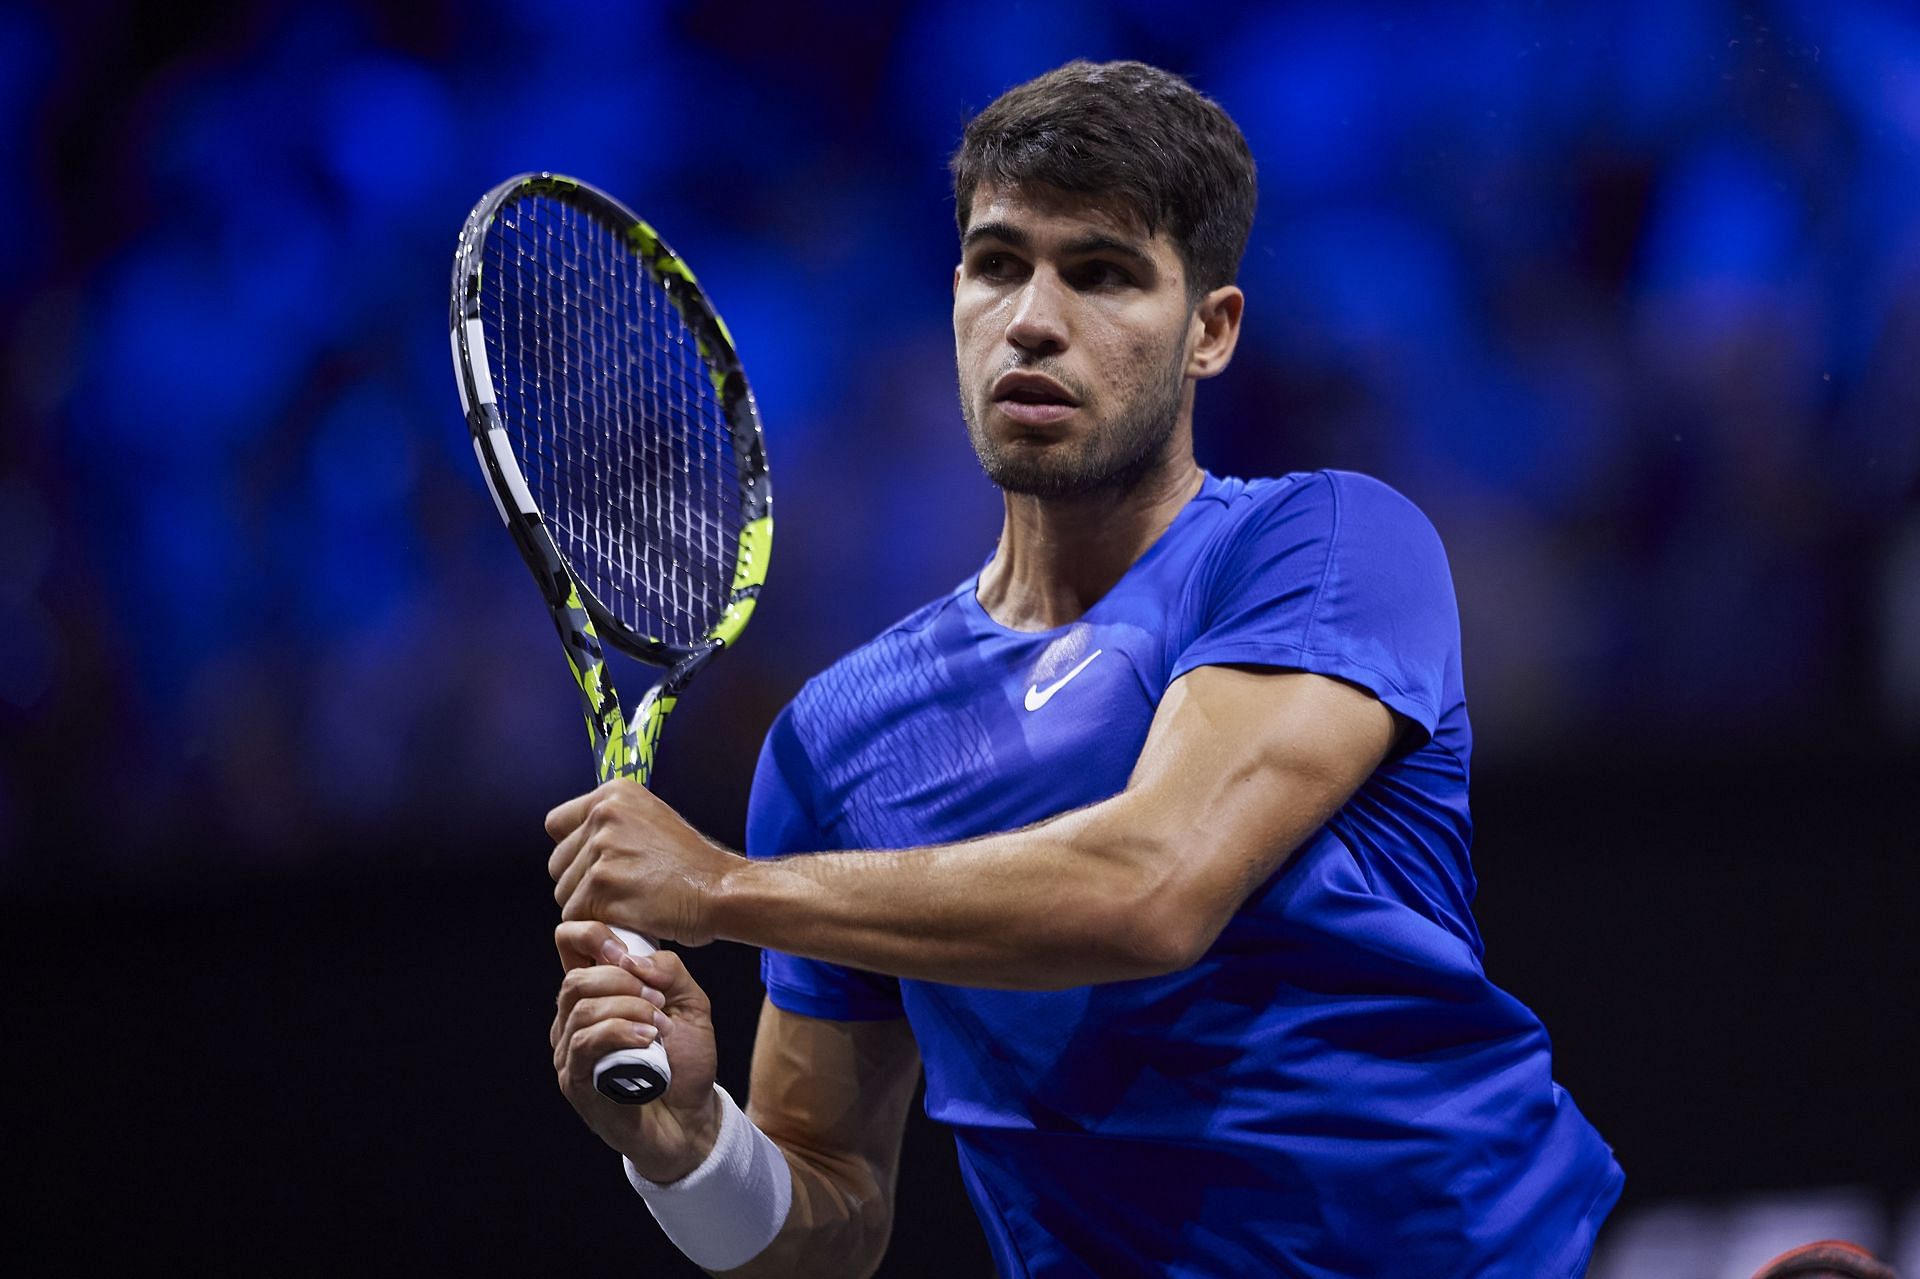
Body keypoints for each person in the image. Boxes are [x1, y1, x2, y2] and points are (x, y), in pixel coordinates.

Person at [546, 59, 1624, 1277]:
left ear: (1211, 331)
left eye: (1103, 272)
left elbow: (1154, 888)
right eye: (999, 266)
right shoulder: (836, 742)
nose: (1035, 318)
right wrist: (688, 1148)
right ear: (956, 299)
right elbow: (831, 1219)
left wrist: (725, 890)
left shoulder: (1328, 543)